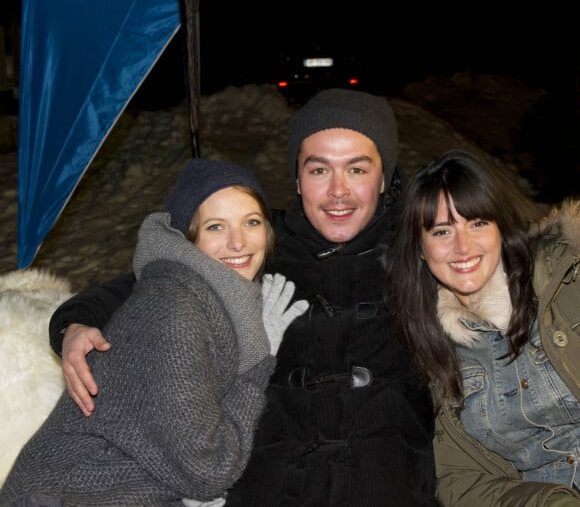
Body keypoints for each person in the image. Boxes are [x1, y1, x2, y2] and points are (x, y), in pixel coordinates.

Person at [47, 88, 438, 505]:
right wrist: (75, 323)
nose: (337, 191)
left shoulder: (421, 250)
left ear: (384, 178)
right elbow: (155, 283)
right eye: (319, 170)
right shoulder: (259, 250)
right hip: (270, 475)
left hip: (386, 476)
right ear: (297, 178)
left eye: (357, 170)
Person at [0, 159, 308, 506]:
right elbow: (209, 471)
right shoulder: (176, 310)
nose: (238, 242)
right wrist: (256, 368)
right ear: (188, 238)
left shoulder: (222, 296)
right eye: (216, 227)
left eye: (251, 222)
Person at [387, 149, 580, 506]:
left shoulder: (567, 278)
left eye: (477, 223)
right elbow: (455, 479)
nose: (463, 247)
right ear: (419, 248)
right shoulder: (426, 353)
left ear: (500, 228)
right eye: (442, 231)